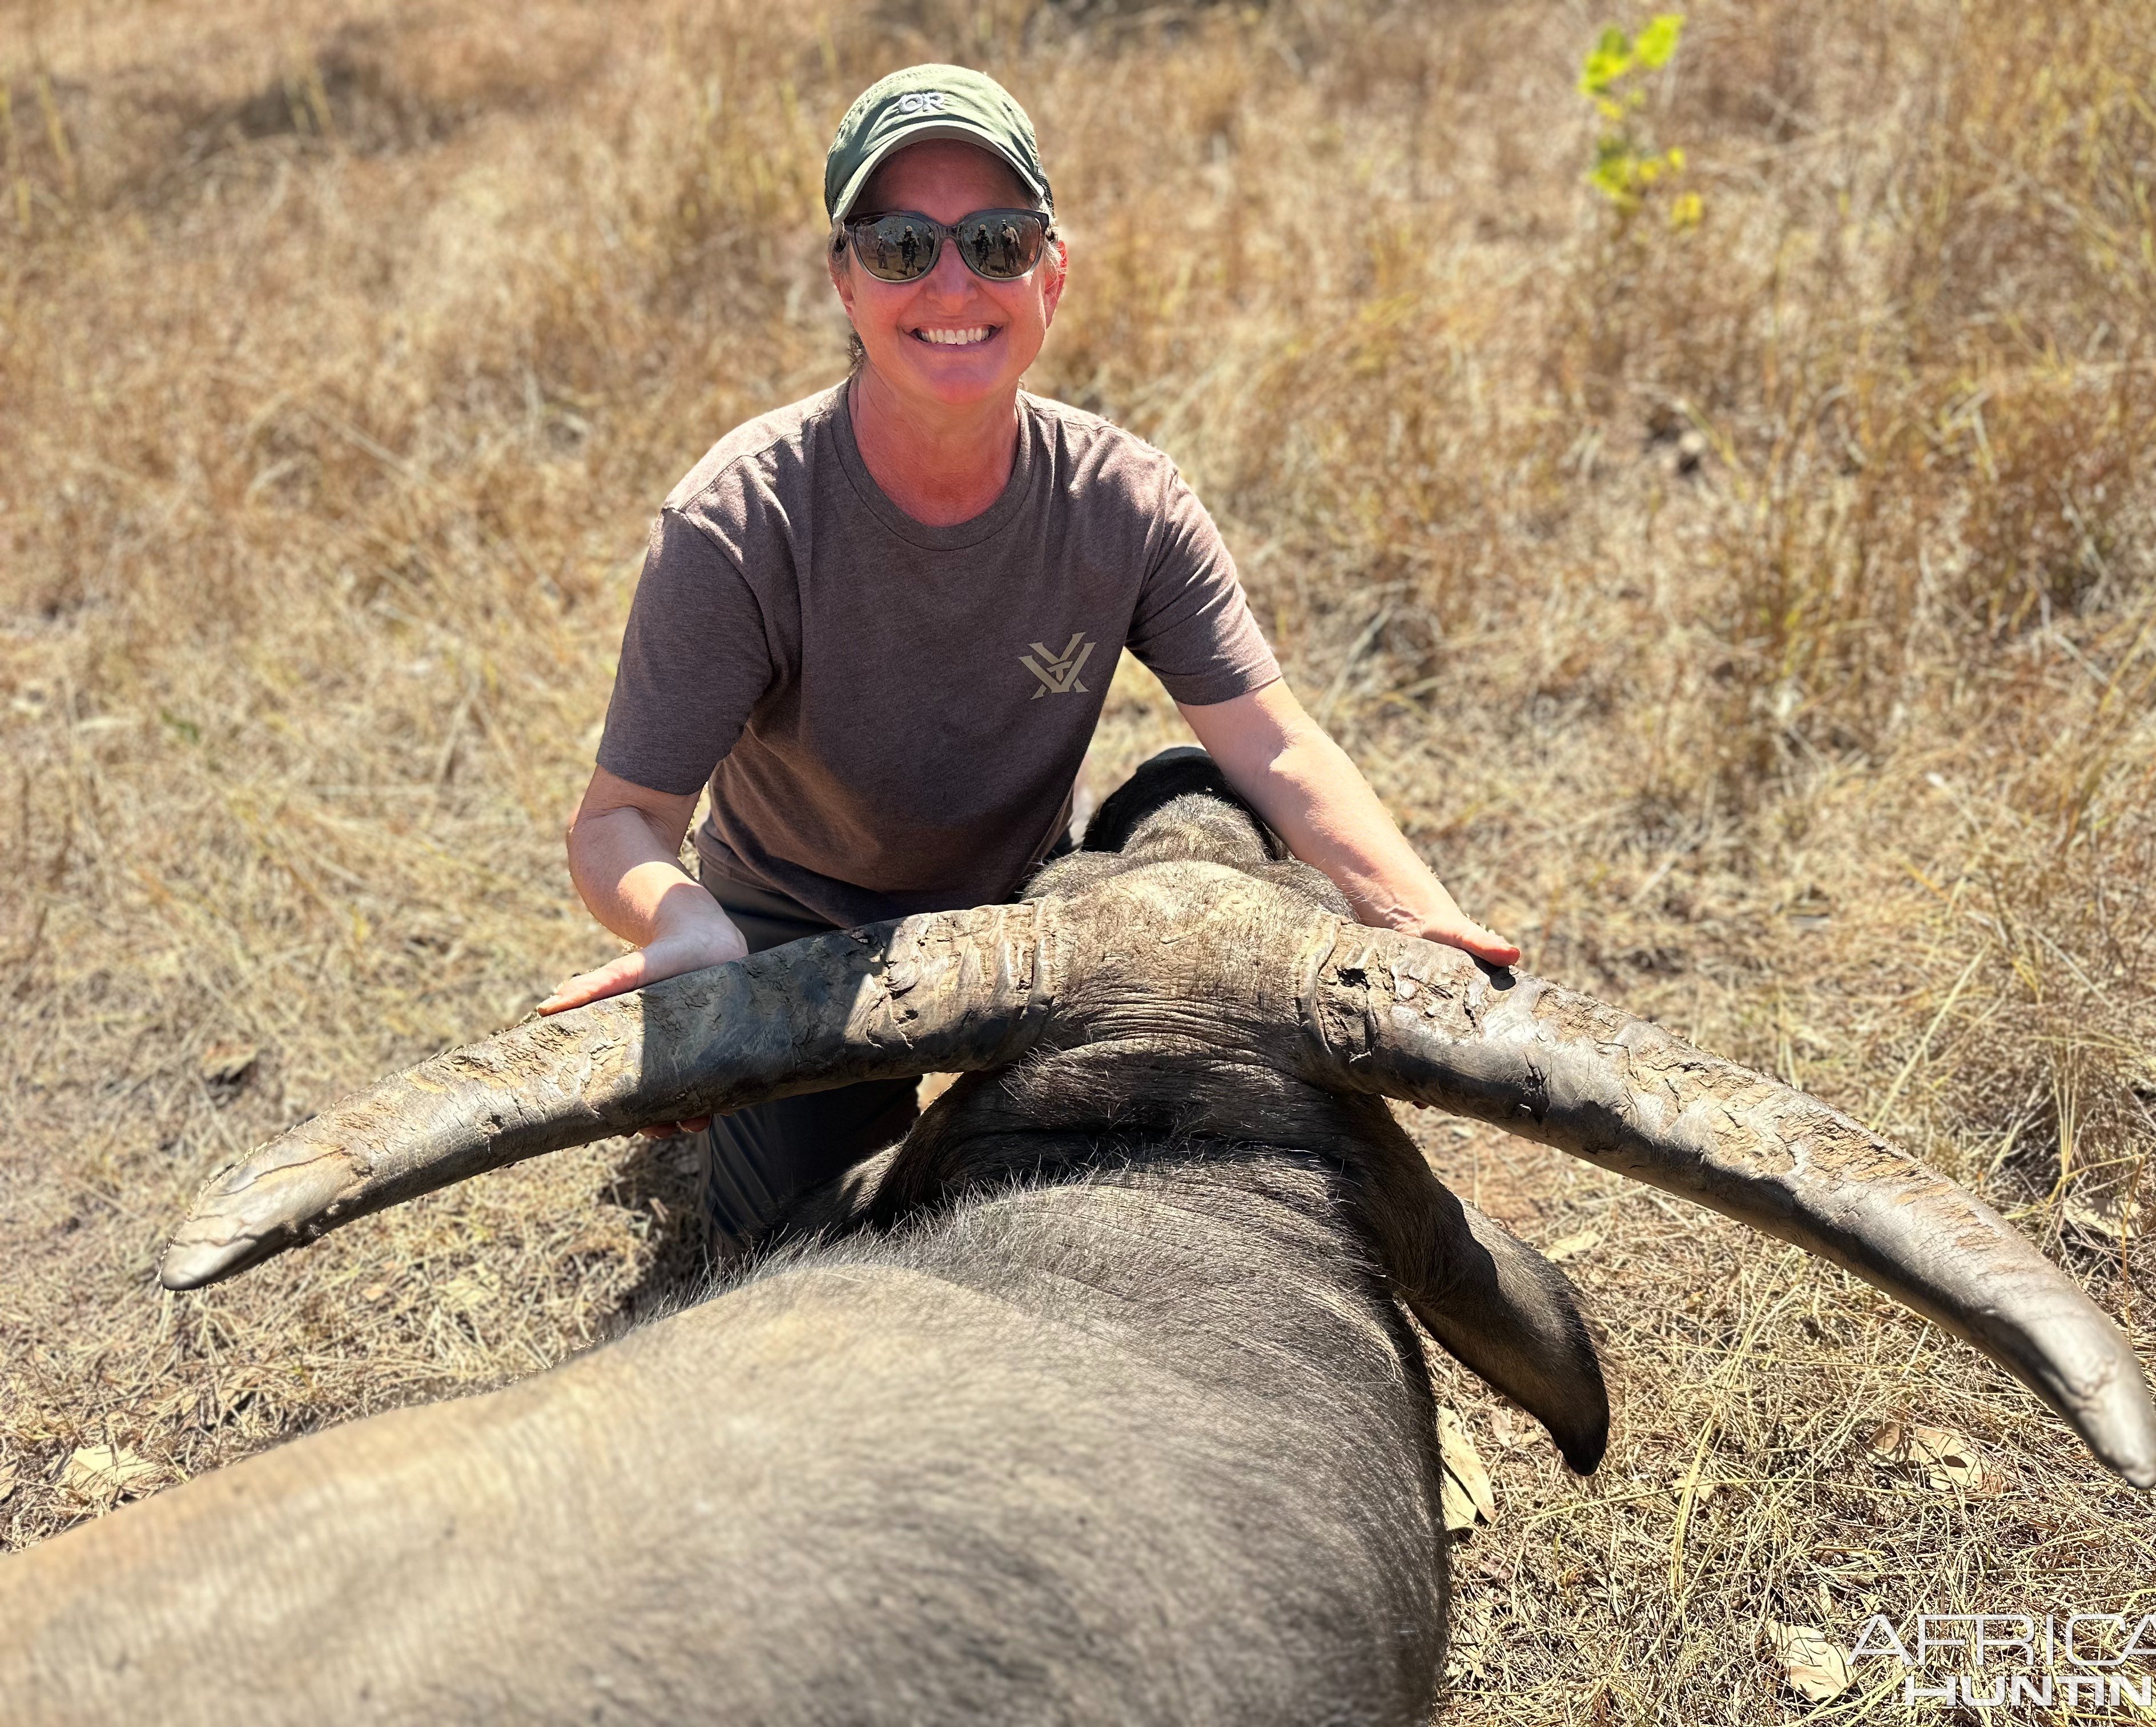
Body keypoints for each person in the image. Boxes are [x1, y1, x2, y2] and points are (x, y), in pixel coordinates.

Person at [540, 64, 1518, 1254]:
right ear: (844, 279)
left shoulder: (1126, 501)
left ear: (1052, 272)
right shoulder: (740, 525)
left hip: (1032, 925)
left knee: (1200, 795)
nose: (954, 282)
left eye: (996, 241)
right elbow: (620, 823)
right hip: (806, 953)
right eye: (902, 247)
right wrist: (687, 931)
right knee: (821, 1262)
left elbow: (1271, 740)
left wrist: (1418, 920)